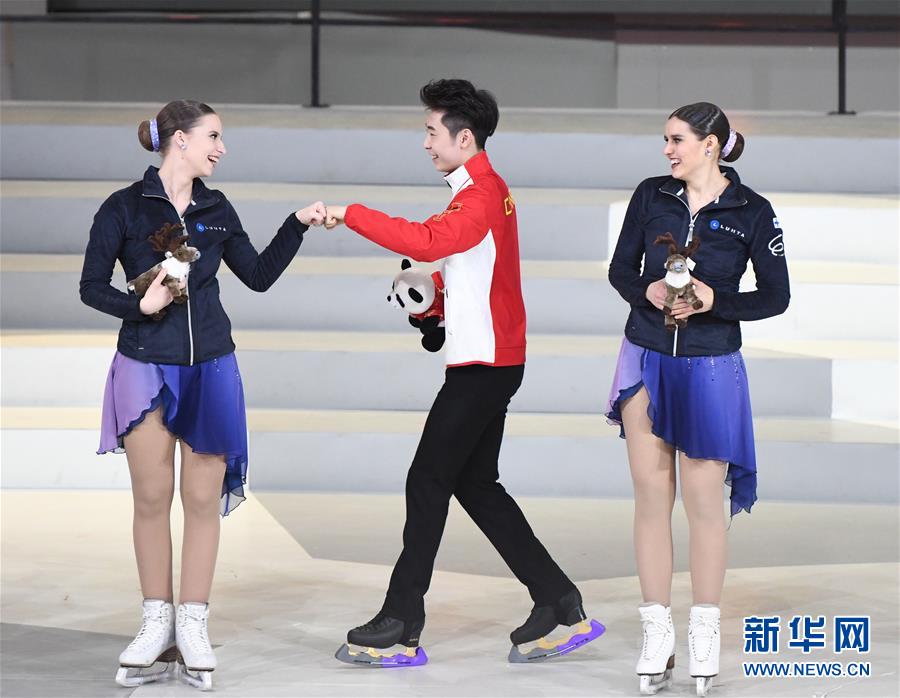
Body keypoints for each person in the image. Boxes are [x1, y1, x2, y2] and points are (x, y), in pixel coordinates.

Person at [324, 79, 604, 667]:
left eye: (432, 132)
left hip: (485, 366)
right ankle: (559, 601)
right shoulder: (475, 193)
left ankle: (402, 621)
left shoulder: (479, 195)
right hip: (488, 360)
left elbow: (429, 241)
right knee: (475, 485)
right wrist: (432, 302)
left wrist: (349, 214)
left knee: (427, 481)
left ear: (465, 137)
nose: (426, 143)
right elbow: (466, 265)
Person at [79, 99, 326, 689]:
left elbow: (258, 276)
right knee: (151, 497)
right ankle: (155, 622)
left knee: (199, 499)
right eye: (213, 136)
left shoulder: (217, 209)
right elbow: (90, 286)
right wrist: (138, 305)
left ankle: (192, 623)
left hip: (211, 365)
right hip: (144, 365)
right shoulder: (123, 207)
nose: (221, 148)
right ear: (180, 140)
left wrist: (296, 224)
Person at [605, 102, 790, 696]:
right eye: (666, 140)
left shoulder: (752, 211)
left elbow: (777, 296)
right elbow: (620, 270)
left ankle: (704, 630)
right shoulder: (651, 195)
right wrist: (649, 291)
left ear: (710, 144)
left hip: (710, 364)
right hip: (645, 355)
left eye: (677, 140)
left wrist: (714, 301)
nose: (667, 151)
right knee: (650, 497)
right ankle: (656, 632)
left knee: (705, 503)